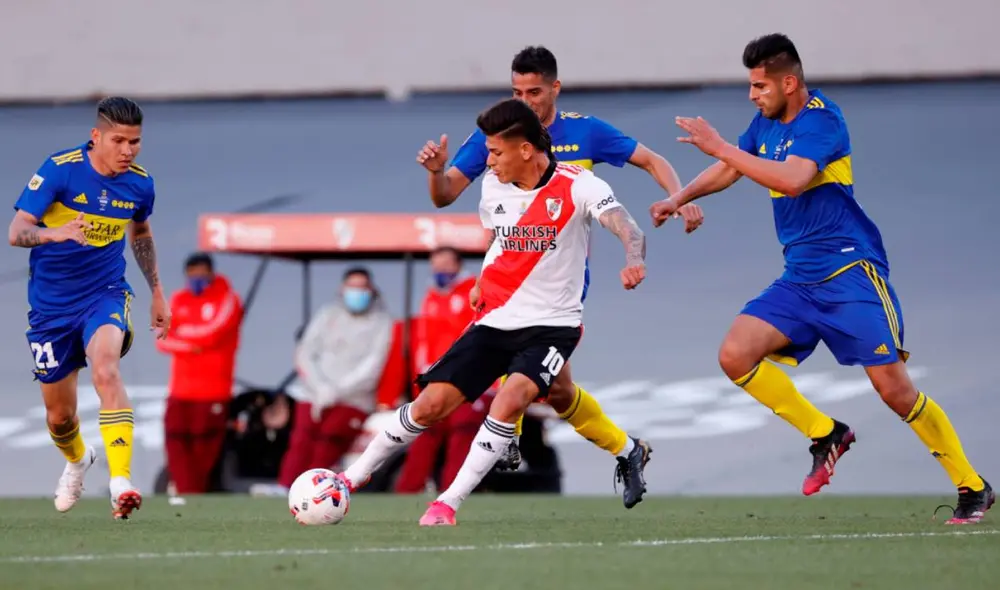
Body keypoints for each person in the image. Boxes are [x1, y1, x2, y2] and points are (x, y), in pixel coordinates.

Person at [649, 33, 993, 525]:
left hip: (851, 272)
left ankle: (972, 485)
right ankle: (826, 433)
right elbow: (731, 169)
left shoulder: (822, 121)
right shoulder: (766, 123)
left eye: (760, 86)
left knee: (895, 391)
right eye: (750, 86)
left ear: (789, 83)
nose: (753, 95)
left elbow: (790, 178)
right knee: (735, 354)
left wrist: (721, 144)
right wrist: (678, 197)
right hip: (801, 278)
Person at [340, 97, 654, 526]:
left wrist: (633, 257)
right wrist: (485, 280)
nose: (488, 160)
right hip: (496, 317)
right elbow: (500, 242)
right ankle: (346, 481)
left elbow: (626, 225)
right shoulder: (493, 185)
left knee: (508, 400)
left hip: (553, 324)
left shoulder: (579, 184)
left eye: (495, 152)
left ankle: (446, 503)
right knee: (432, 404)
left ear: (526, 149)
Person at [416, 45, 699, 507]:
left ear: (555, 89)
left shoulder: (585, 131)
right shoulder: (496, 135)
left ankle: (506, 432)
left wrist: (681, 196)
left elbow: (650, 159)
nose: (525, 100)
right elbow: (445, 194)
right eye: (516, 91)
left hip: (561, 280)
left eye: (534, 91)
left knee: (522, 365)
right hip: (506, 274)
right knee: (560, 390)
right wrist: (433, 173)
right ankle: (629, 450)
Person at [8, 96, 168, 520]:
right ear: (96, 137)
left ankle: (121, 482)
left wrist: (156, 290)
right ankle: (79, 460)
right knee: (60, 417)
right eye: (119, 140)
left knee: (106, 368)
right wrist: (54, 234)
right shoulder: (60, 169)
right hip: (51, 307)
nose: (128, 150)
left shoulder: (139, 183)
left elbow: (141, 231)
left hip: (105, 293)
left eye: (135, 142)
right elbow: (17, 230)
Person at [275, 267, 393, 491]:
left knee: (328, 439)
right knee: (301, 438)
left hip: (354, 399)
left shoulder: (381, 322)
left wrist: (338, 391)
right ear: (342, 289)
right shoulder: (327, 315)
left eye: (362, 288)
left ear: (372, 290)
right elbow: (305, 353)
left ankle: (314, 490)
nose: (357, 292)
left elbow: (372, 367)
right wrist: (321, 388)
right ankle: (285, 486)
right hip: (314, 393)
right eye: (352, 287)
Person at [395, 246, 493, 494]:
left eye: (446, 264)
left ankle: (453, 493)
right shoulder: (431, 296)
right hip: (437, 378)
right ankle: (406, 491)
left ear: (457, 264)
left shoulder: (475, 289)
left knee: (462, 434)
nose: (440, 270)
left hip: (471, 377)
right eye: (435, 265)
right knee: (424, 432)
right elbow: (424, 343)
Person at [155, 252, 243, 495]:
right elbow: (161, 338)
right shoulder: (178, 299)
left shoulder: (227, 299)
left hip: (213, 390)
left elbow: (213, 333)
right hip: (180, 390)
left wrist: (182, 335)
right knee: (175, 442)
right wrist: (191, 344)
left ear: (211, 273)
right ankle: (185, 493)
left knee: (205, 449)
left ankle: (197, 495)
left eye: (201, 273)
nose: (196, 278)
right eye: (192, 274)